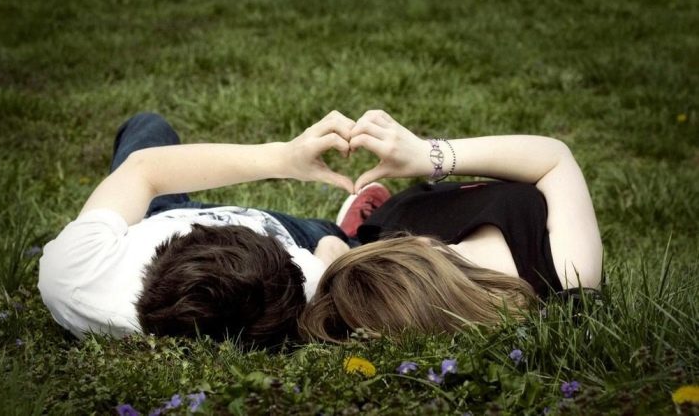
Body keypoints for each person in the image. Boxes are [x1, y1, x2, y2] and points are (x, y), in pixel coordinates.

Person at [38, 110, 374, 350]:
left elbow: (143, 168)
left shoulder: (74, 272)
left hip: (148, 219)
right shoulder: (301, 283)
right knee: (332, 235)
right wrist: (336, 246)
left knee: (148, 125)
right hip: (277, 241)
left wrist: (284, 158)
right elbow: (330, 249)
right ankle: (359, 231)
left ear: (170, 247)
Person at [300, 110, 603, 342]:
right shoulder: (571, 273)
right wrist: (429, 156)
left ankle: (351, 239)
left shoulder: (401, 289)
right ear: (421, 245)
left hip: (389, 225)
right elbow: (555, 160)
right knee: (337, 250)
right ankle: (350, 241)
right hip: (402, 230)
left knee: (333, 248)